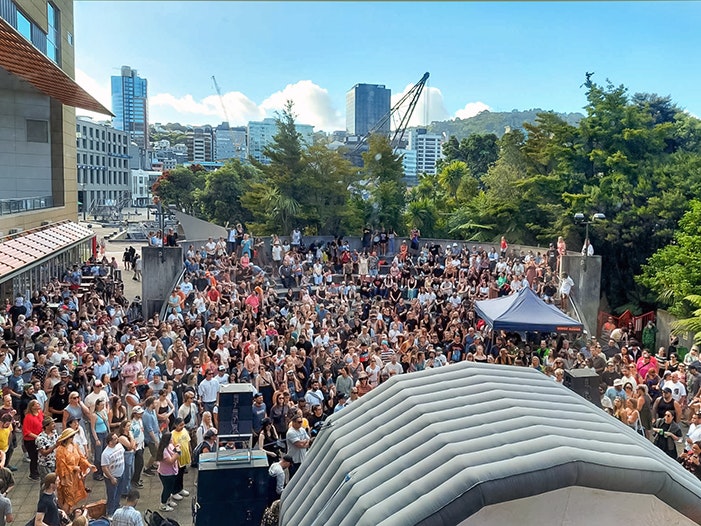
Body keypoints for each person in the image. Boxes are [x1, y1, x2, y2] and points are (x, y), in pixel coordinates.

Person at [55, 426, 95, 512]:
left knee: (74, 498)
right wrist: (73, 468)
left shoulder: (75, 445)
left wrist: (89, 465)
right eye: (71, 436)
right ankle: (64, 517)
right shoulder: (60, 451)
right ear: (67, 438)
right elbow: (61, 467)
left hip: (76, 477)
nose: (73, 438)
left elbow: (81, 457)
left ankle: (69, 512)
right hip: (67, 479)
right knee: (68, 500)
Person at [101, 432, 126, 517]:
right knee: (112, 495)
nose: (117, 439)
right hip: (112, 478)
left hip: (121, 474)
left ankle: (117, 507)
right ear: (110, 442)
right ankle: (110, 512)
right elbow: (104, 467)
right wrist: (111, 478)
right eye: (115, 439)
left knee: (119, 493)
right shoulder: (105, 453)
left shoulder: (119, 446)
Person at [155, 431, 180, 513]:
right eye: (171, 438)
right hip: (166, 474)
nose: (172, 439)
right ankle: (163, 504)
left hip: (172, 472)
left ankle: (168, 501)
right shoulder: (164, 451)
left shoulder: (169, 446)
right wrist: (178, 453)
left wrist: (176, 447)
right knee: (167, 489)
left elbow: (173, 450)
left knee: (170, 488)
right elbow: (170, 461)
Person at [23, 400, 44, 481]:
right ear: (32, 407)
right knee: (34, 457)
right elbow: (26, 431)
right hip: (30, 441)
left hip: (39, 438)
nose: (39, 405)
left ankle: (37, 471)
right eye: (37, 404)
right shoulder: (28, 417)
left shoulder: (40, 413)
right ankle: (33, 474)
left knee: (38, 457)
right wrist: (37, 437)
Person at [286, 414, 309, 479]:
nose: (301, 423)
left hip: (302, 458)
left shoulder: (302, 430)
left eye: (301, 422)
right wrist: (305, 442)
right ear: (293, 422)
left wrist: (304, 442)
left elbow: (308, 439)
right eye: (299, 422)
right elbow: (299, 445)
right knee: (293, 478)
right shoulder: (290, 432)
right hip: (294, 460)